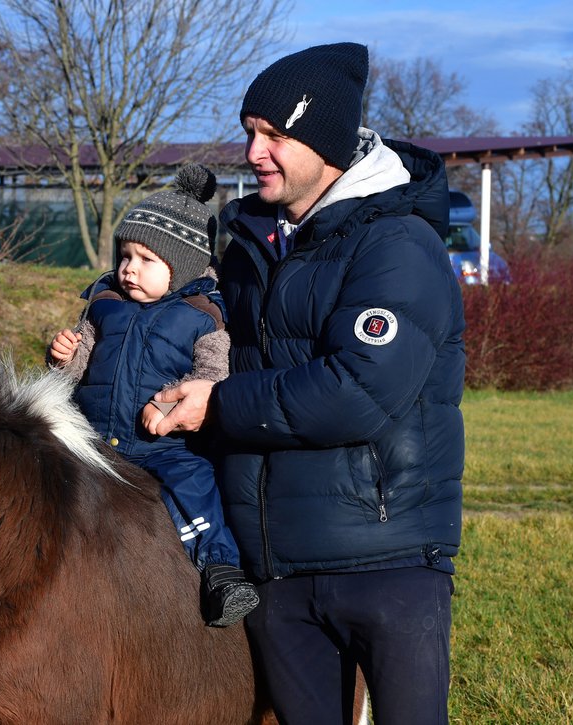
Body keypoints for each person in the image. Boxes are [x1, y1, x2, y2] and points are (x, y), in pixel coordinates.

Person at [146, 43, 464, 723]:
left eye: (275, 135)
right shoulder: (250, 248)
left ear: (326, 146)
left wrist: (218, 404)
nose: (254, 151)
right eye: (250, 132)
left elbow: (360, 388)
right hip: (279, 568)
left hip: (389, 561)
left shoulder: (399, 243)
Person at [48, 164, 259, 627]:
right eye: (124, 255)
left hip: (164, 444)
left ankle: (221, 570)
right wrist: (62, 358)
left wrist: (167, 406)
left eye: (146, 260)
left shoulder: (203, 317)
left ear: (179, 268)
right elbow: (77, 365)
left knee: (196, 485)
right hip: (94, 436)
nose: (128, 270)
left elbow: (212, 378)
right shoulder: (106, 305)